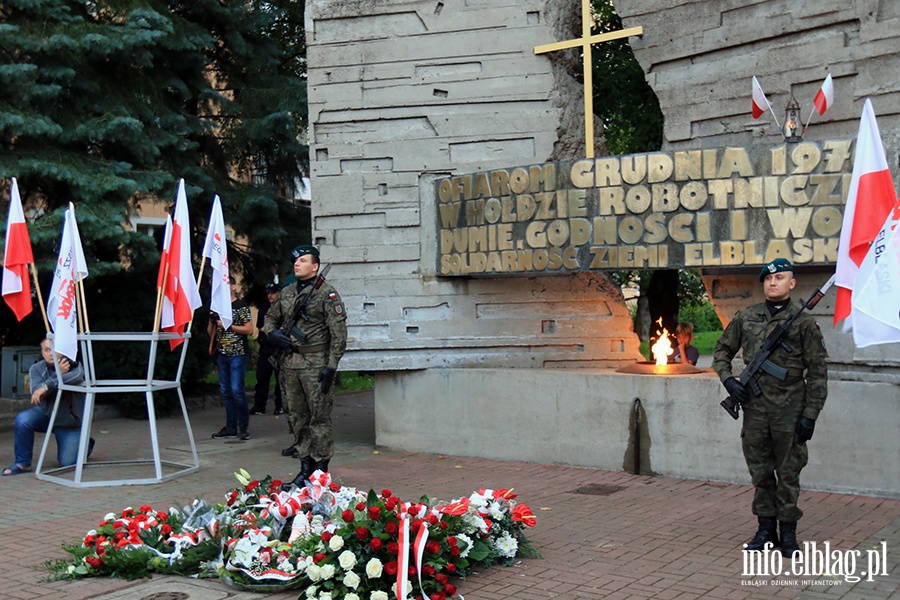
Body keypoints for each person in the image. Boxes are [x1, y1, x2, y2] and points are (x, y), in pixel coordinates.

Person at [712, 258, 827, 558]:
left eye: (780, 278)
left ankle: (787, 534)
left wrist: (810, 415)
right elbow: (721, 352)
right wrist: (729, 382)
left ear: (792, 284)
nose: (772, 282)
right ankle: (765, 530)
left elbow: (817, 372)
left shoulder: (803, 323)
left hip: (791, 412)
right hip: (755, 410)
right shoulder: (746, 317)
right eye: (768, 278)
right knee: (761, 472)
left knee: (789, 472)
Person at [264, 245, 347, 489]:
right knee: (296, 417)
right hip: (290, 364)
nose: (297, 264)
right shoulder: (288, 292)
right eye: (295, 261)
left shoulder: (327, 294)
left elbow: (339, 334)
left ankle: (321, 472)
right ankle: (305, 468)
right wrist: (274, 334)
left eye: (303, 260)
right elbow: (269, 318)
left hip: (316, 364)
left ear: (315, 266)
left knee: (318, 419)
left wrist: (331, 366)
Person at [2, 338, 95, 476]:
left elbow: (76, 377)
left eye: (55, 350)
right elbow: (37, 395)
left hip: (69, 423)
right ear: (42, 352)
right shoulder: (37, 368)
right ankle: (22, 463)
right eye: (47, 350)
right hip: (47, 415)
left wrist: (47, 386)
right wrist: (57, 376)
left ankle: (85, 444)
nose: (51, 353)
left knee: (67, 463)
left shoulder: (75, 367)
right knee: (23, 419)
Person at [209, 275, 254, 441]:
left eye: (227, 284)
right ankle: (230, 426)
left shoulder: (241, 306)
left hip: (238, 353)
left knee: (236, 390)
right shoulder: (218, 307)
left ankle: (243, 427)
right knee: (226, 391)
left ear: (234, 287)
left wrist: (227, 325)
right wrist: (212, 321)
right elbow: (211, 334)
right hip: (222, 354)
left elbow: (249, 330)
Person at [249, 283, 284, 416]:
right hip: (266, 348)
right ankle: (259, 405)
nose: (270, 296)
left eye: (273, 293)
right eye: (268, 293)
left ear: (279, 293)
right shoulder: (264, 309)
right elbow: (260, 327)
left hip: (278, 348)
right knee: (262, 377)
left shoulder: (283, 309)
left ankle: (280, 405)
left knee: (280, 379)